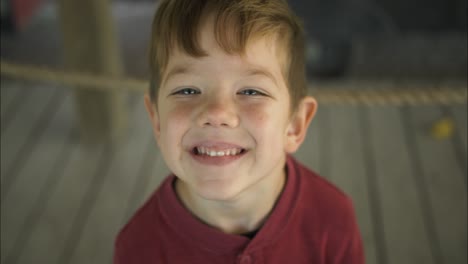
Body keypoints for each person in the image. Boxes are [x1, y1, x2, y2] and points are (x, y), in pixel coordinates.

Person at [114, 0, 365, 263]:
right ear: (157, 120)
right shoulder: (139, 248)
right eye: (187, 90)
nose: (217, 113)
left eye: (251, 91)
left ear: (295, 125)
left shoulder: (332, 218)